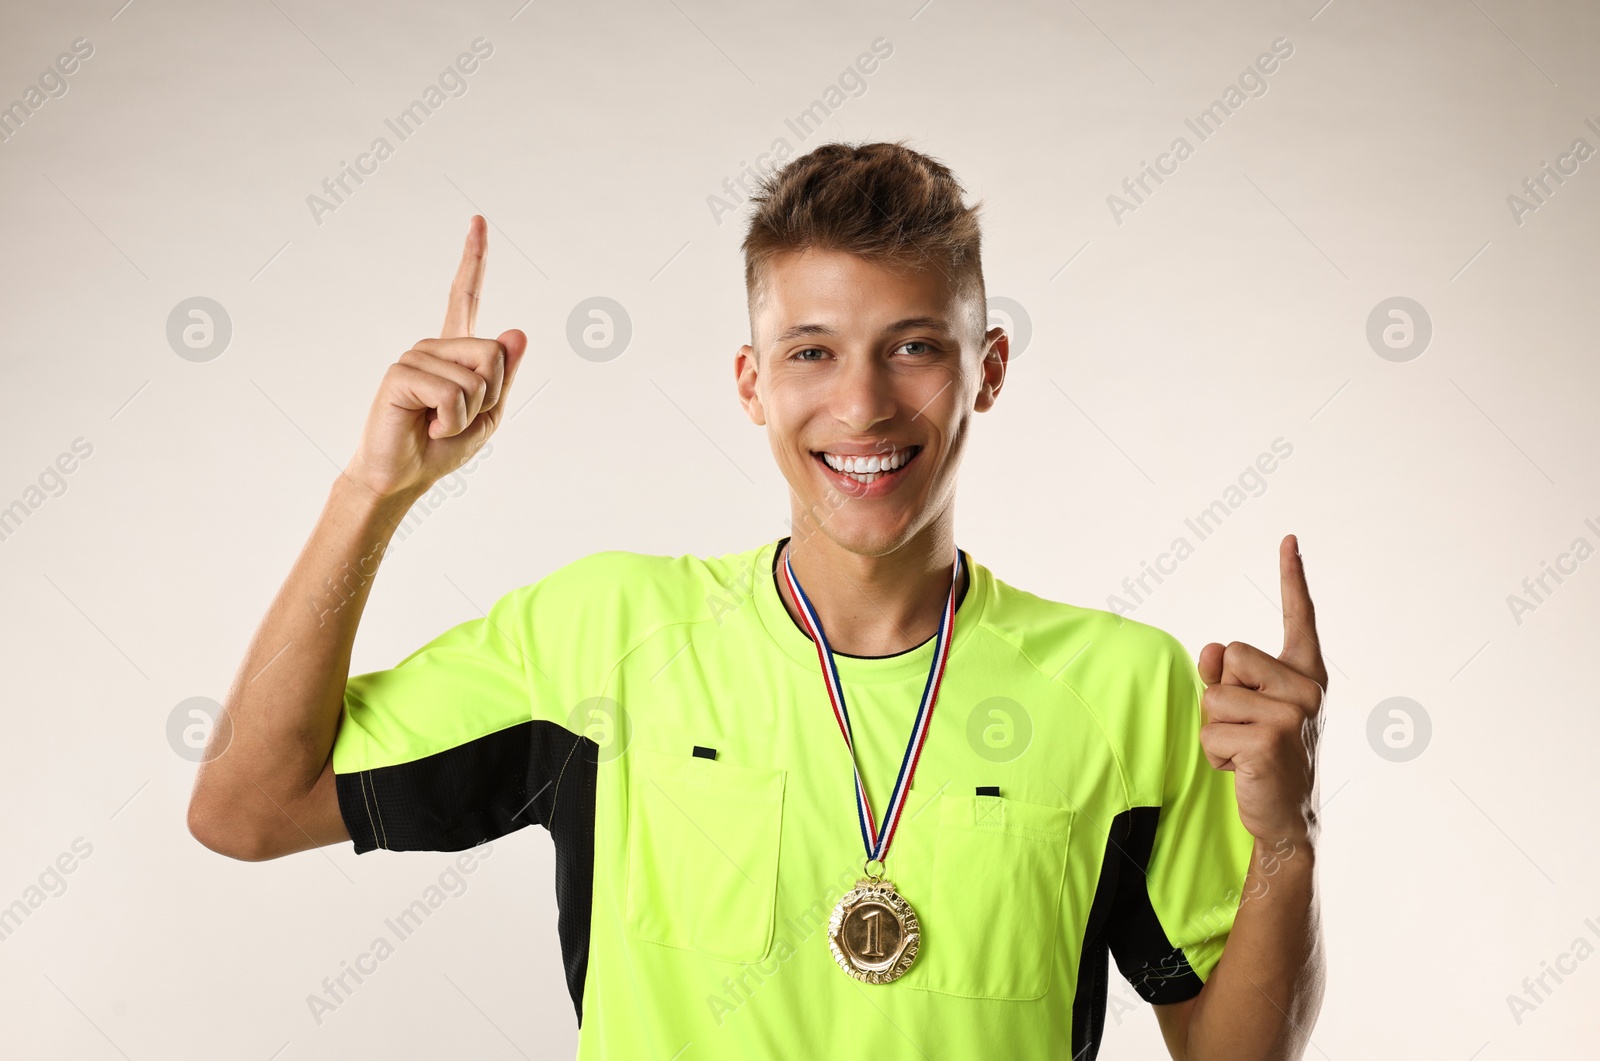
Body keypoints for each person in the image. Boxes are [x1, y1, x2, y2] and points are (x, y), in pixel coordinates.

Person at [187, 139, 1327, 1060]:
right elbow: (247, 808)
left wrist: (1286, 840)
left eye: (915, 345)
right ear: (751, 381)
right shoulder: (606, 639)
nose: (865, 404)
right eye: (812, 352)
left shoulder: (1127, 688)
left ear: (988, 367)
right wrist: (374, 492)